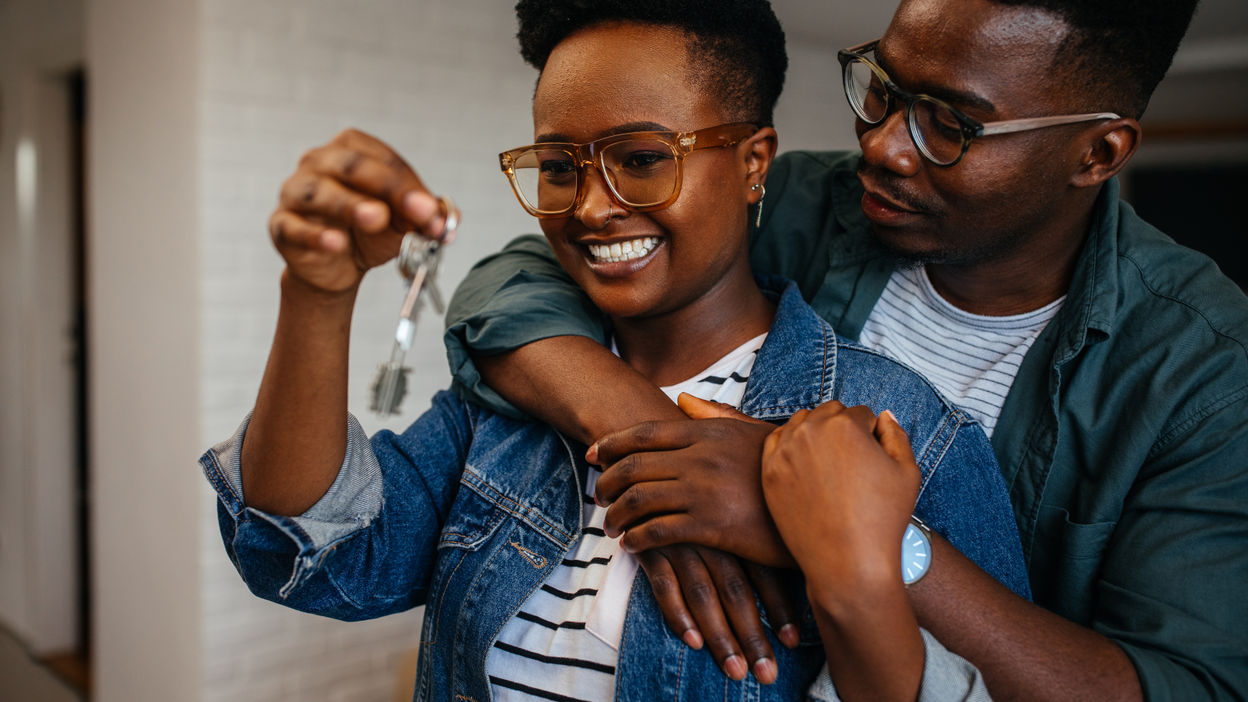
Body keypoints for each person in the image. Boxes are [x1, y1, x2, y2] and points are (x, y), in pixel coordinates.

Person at [200, 0, 1030, 699]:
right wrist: (316, 295)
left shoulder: (905, 432)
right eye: (559, 167)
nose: (592, 208)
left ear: (752, 164)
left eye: (640, 160)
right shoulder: (506, 409)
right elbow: (317, 551)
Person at [440, 0, 1248, 699]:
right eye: (883, 88)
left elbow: (1180, 688)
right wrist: (648, 431)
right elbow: (510, 282)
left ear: (1098, 153)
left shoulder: (1202, 372)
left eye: (950, 125)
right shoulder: (798, 205)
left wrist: (856, 535)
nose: (883, 146)